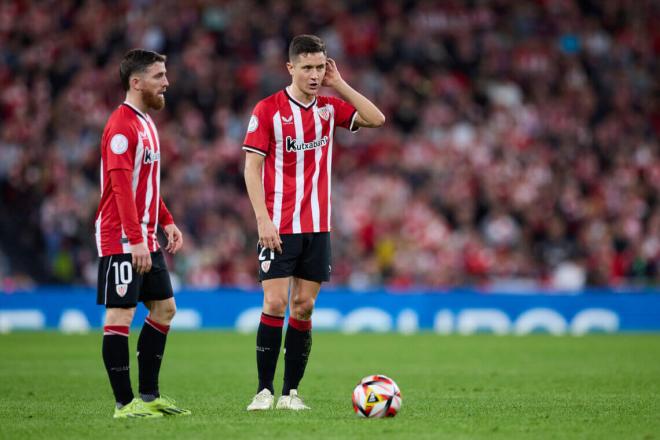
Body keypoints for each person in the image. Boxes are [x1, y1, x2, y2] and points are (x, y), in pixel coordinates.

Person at [243, 34, 385, 411]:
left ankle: (291, 393)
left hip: (317, 226)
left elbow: (376, 118)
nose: (314, 74)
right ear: (290, 68)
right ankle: (263, 391)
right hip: (277, 225)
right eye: (306, 67)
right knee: (274, 303)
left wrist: (339, 84)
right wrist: (262, 219)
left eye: (320, 67)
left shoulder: (328, 108)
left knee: (303, 308)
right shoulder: (268, 110)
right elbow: (251, 168)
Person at [94, 49, 190, 419]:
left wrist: (166, 220)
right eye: (159, 76)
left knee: (165, 309)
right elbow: (119, 188)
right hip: (122, 238)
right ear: (136, 83)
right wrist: (134, 240)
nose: (166, 82)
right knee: (120, 315)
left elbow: (144, 184)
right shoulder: (121, 126)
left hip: (145, 236)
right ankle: (124, 404)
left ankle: (149, 397)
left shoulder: (146, 123)